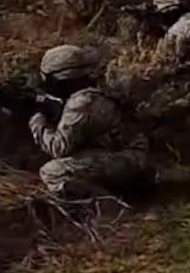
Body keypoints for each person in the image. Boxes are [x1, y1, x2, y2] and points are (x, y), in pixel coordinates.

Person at [30, 44, 156, 200]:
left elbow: (58, 148)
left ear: (61, 79)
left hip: (127, 158)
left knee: (53, 171)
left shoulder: (81, 103)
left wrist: (37, 119)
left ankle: (106, 204)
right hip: (130, 153)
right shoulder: (96, 90)